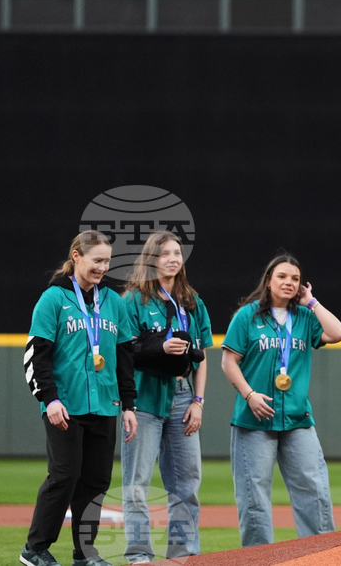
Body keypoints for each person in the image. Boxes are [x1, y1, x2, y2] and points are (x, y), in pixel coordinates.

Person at [21, 230, 138, 566]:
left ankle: (85, 554)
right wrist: (49, 399)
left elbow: (124, 359)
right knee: (65, 475)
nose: (103, 267)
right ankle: (35, 549)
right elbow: (36, 356)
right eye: (97, 260)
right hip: (65, 406)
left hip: (104, 405)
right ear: (76, 256)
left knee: (96, 481)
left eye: (107, 261)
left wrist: (129, 405)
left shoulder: (113, 302)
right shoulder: (53, 298)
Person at [221, 254, 341, 547]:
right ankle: (258, 558)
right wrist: (249, 395)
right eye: (282, 276)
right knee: (253, 494)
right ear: (268, 280)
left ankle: (320, 554)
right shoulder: (248, 316)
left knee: (314, 488)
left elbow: (338, 333)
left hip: (296, 418)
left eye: (295, 278)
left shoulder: (305, 317)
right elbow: (228, 362)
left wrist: (312, 302)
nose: (289, 282)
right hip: (255, 418)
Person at [121, 231, 214, 563]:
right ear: (151, 260)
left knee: (187, 484)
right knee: (137, 484)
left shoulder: (192, 302)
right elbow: (125, 352)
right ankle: (139, 556)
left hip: (182, 396)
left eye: (177, 253)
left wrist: (198, 402)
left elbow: (202, 357)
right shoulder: (133, 300)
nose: (173, 259)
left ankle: (182, 555)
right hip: (144, 396)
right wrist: (158, 347)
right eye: (165, 254)